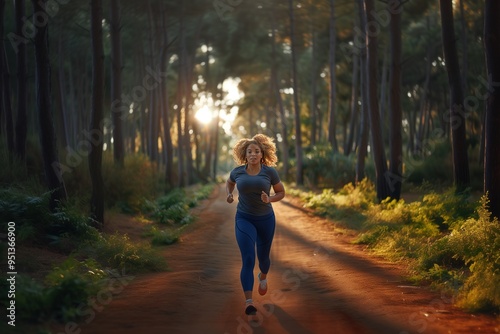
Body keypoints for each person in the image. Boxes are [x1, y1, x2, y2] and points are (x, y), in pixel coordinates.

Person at [225, 134, 286, 316]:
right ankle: (249, 302)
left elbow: (281, 192)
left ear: (262, 154)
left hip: (265, 219)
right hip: (244, 218)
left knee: (264, 260)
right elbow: (229, 184)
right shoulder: (237, 172)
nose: (253, 154)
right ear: (245, 154)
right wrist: (229, 194)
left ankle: (263, 276)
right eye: (249, 151)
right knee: (249, 259)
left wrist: (270, 199)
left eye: (256, 151)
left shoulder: (270, 172)